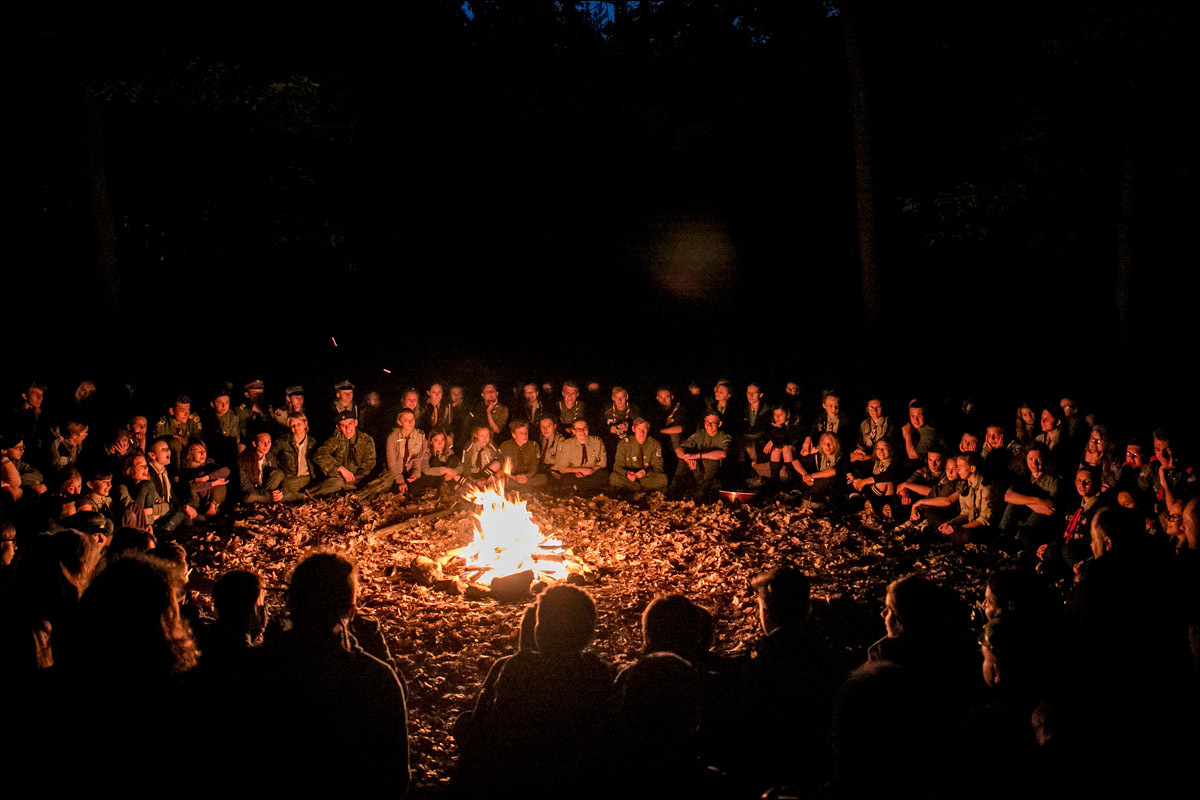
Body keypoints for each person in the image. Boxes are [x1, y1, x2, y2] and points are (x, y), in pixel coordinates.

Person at [256, 551, 410, 794]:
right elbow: (395, 779)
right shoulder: (375, 679)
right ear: (351, 610)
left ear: (291, 603)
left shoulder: (256, 669)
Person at [459, 585, 613, 796]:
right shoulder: (596, 672)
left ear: (539, 630)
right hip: (576, 777)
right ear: (588, 635)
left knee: (465, 724)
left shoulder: (520, 667)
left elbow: (496, 722)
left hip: (518, 776)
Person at [361, 409, 428, 499]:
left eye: (412, 419)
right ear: (399, 422)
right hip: (394, 471)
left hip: (408, 470)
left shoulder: (420, 436)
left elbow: (418, 459)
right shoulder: (393, 437)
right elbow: (392, 463)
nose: (410, 422)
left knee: (415, 490)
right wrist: (400, 480)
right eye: (406, 420)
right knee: (383, 486)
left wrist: (415, 474)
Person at [312, 412, 376, 496]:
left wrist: (353, 480)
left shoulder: (366, 440)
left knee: (382, 479)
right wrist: (339, 468)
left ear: (355, 423)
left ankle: (357, 495)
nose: (347, 428)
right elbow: (319, 455)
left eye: (350, 423)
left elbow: (369, 465)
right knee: (336, 483)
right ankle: (306, 495)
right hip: (340, 479)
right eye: (343, 425)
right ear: (338, 427)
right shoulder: (335, 439)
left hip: (360, 480)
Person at [670, 412, 731, 500]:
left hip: (714, 476)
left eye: (713, 423)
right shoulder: (699, 435)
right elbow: (679, 449)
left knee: (712, 460)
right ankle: (674, 491)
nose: (709, 425)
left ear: (719, 424)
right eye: (707, 422)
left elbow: (722, 454)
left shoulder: (724, 437)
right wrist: (687, 458)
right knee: (683, 460)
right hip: (698, 472)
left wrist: (696, 456)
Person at [609, 418, 668, 494]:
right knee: (614, 477)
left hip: (646, 479)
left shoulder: (654, 444)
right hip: (629, 479)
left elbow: (658, 467)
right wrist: (627, 473)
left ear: (647, 430)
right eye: (639, 429)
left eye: (644, 429)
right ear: (633, 429)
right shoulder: (624, 444)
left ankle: (635, 489)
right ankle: (640, 489)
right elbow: (617, 466)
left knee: (663, 478)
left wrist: (645, 473)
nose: (642, 433)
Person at [272, 412, 319, 501]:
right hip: (290, 479)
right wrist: (280, 470)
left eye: (299, 424)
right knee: (280, 496)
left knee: (331, 485)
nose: (296, 427)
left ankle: (304, 495)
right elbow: (271, 457)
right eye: (292, 425)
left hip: (308, 478)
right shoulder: (282, 441)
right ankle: (304, 497)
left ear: (305, 424)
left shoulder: (313, 442)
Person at [553, 419, 609, 493]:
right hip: (575, 474)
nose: (582, 432)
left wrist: (590, 471)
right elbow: (562, 468)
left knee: (604, 476)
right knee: (565, 478)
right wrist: (580, 471)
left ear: (588, 429)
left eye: (584, 428)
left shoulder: (597, 441)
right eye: (578, 429)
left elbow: (602, 463)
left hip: (592, 473)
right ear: (573, 431)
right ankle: (585, 487)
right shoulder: (567, 444)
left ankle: (577, 487)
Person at [180, 440, 230, 517]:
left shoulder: (209, 463)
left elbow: (226, 471)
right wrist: (213, 483)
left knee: (219, 482)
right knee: (205, 476)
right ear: (191, 453)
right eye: (198, 451)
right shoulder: (185, 469)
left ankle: (213, 508)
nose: (203, 454)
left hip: (209, 498)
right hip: (194, 503)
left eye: (204, 451)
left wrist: (207, 477)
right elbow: (192, 488)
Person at [499, 419, 546, 490]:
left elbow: (534, 467)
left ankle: (522, 485)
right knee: (501, 479)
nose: (525, 435)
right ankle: (522, 486)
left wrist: (526, 477)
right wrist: (514, 478)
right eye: (521, 433)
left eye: (526, 432)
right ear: (514, 435)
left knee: (543, 478)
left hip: (528, 477)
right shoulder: (505, 446)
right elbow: (503, 468)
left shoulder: (533, 445)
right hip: (512, 477)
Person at [154, 395, 203, 464]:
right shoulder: (162, 425)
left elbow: (199, 445)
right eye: (182, 410)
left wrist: (182, 440)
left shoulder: (192, 420)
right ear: (172, 411)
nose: (186, 414)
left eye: (188, 410)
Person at [238, 431, 284, 504]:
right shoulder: (245, 459)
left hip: (264, 490)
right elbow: (246, 487)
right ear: (254, 443)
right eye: (262, 442)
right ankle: (268, 499)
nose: (266, 445)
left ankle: (267, 499)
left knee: (279, 474)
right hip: (251, 491)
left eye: (269, 442)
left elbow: (275, 478)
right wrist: (269, 496)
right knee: (249, 497)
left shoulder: (270, 457)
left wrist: (278, 493)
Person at [459, 425, 502, 489]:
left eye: (487, 435)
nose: (485, 439)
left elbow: (500, 461)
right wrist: (474, 480)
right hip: (472, 475)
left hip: (486, 475)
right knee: (461, 479)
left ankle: (484, 484)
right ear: (476, 435)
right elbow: (465, 468)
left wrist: (494, 476)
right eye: (481, 436)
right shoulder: (469, 447)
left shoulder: (492, 447)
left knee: (497, 464)